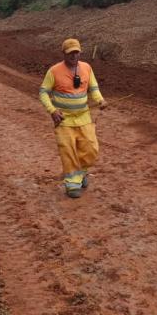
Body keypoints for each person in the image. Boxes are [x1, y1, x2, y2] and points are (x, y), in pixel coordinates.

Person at [38, 38, 105, 198]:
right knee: (68, 151)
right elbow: (43, 92)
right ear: (64, 54)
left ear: (80, 52)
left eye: (76, 52)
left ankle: (81, 173)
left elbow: (93, 88)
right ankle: (72, 184)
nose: (74, 56)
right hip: (64, 120)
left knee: (91, 149)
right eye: (70, 53)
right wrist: (52, 110)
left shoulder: (87, 68)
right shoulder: (54, 71)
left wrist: (100, 100)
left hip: (84, 117)